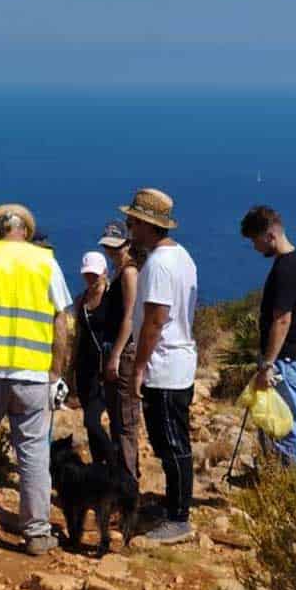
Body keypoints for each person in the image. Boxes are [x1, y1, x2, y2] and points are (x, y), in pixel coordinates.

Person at [0, 204, 72, 556]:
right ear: (26, 231)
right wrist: (56, 373)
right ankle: (36, 532)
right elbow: (60, 320)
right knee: (34, 454)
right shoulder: (45, 261)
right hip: (33, 374)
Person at [119, 188, 200, 545]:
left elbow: (155, 319)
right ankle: (173, 508)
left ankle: (178, 518)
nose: (128, 226)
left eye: (133, 221)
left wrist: (138, 368)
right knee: (172, 440)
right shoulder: (181, 257)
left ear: (147, 225)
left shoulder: (159, 265)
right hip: (177, 362)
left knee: (170, 442)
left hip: (165, 367)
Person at [241, 205, 296, 471]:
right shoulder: (295, 264)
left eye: (255, 240)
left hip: (284, 360)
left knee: (288, 424)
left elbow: (282, 320)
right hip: (287, 357)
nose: (255, 247)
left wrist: (267, 364)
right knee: (274, 420)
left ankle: (292, 485)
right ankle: (276, 476)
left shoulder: (287, 269)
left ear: (270, 235)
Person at [95, 221, 141, 482]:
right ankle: (122, 481)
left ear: (127, 243)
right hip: (114, 350)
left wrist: (115, 356)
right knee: (116, 421)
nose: (112, 251)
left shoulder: (129, 273)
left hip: (122, 355)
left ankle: (129, 484)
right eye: (108, 247)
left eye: (116, 246)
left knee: (125, 424)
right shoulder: (118, 271)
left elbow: (130, 317)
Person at [73, 249, 125, 475]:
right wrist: (69, 371)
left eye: (95, 274)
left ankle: (114, 464)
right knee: (91, 423)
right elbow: (77, 336)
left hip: (107, 368)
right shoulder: (80, 301)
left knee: (93, 421)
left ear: (104, 272)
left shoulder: (112, 297)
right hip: (85, 368)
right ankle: (98, 467)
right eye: (87, 274)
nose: (91, 279)